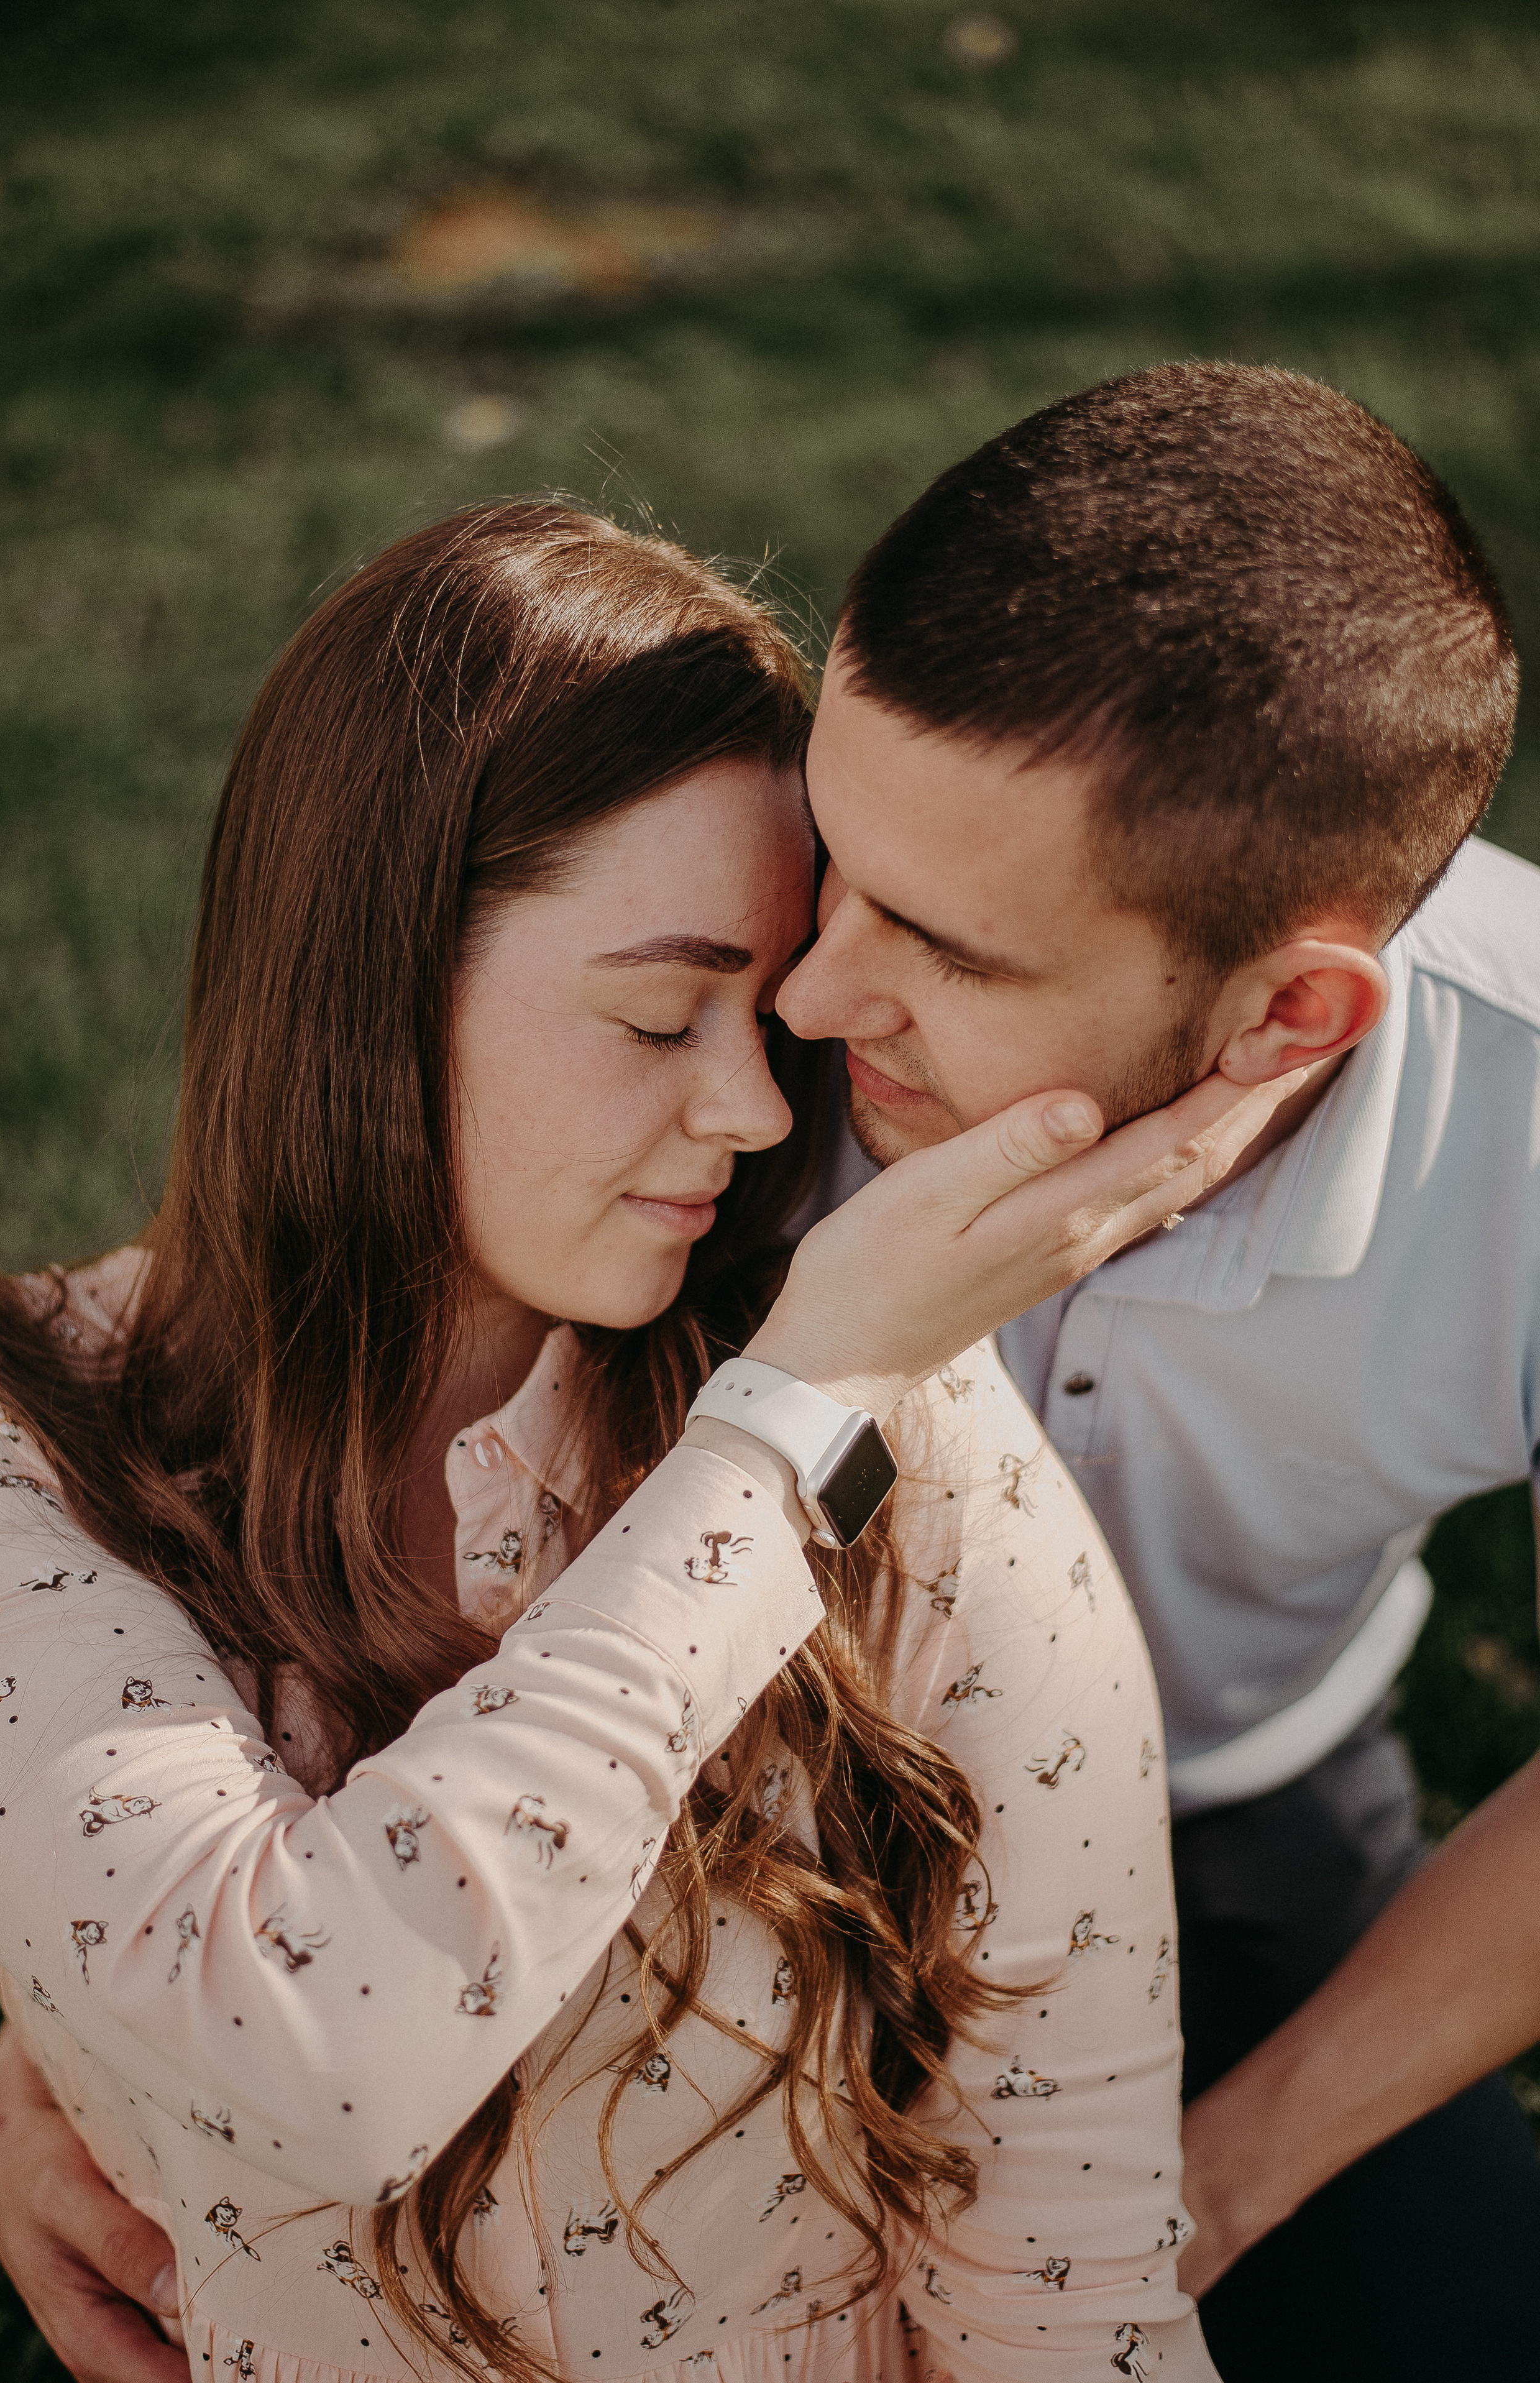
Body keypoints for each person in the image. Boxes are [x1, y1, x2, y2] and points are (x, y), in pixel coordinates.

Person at [0, 501, 1274, 2382]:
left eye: (764, 1011)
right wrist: (781, 1431)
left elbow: (1066, 2284)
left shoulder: (905, 1432)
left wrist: (808, 1395)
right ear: (369, 977)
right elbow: (310, 2057)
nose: (747, 1107)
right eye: (661, 1011)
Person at [771, 362, 1540, 2381]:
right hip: (701, 1773)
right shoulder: (701, 907)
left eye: (940, 944)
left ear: (1293, 1009)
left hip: (1242, 1811)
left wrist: (1216, 2176)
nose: (806, 984)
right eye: (826, 855)